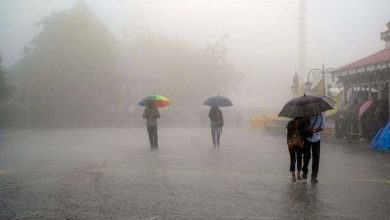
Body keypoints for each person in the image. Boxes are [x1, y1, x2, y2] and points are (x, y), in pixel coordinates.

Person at [302, 113, 324, 184]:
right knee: (306, 156)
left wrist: (314, 130)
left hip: (316, 139)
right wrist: (307, 128)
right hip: (307, 138)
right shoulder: (307, 114)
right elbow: (303, 125)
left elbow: (322, 127)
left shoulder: (321, 115)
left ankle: (314, 176)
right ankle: (304, 172)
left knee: (316, 158)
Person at [286, 117, 304, 182]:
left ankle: (298, 175)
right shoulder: (290, 124)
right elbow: (288, 135)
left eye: (298, 121)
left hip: (299, 144)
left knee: (299, 158)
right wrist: (290, 143)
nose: (298, 122)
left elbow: (303, 135)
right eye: (296, 121)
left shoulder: (302, 124)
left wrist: (302, 142)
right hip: (292, 144)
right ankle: (293, 175)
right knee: (293, 159)